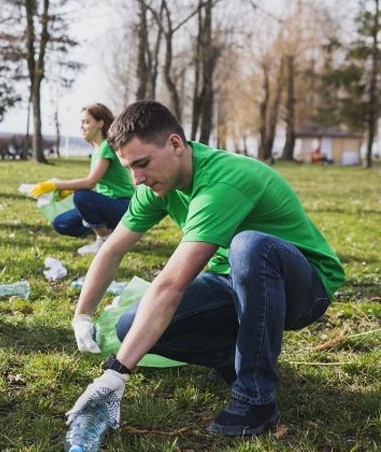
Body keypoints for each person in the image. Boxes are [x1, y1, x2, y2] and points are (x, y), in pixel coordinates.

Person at [66, 100, 344, 437]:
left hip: (303, 288)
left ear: (175, 144)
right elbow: (112, 250)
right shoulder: (154, 183)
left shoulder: (223, 181)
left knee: (250, 245)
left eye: (142, 163)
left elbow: (172, 284)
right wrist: (83, 314)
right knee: (129, 327)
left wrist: (116, 371)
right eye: (128, 168)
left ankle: (256, 399)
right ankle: (236, 358)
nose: (136, 179)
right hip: (233, 280)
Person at [29, 104, 134, 255]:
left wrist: (55, 185)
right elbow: (95, 184)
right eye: (81, 122)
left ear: (100, 123)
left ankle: (103, 240)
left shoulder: (106, 146)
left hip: (122, 205)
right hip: (106, 204)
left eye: (86, 122)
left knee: (82, 197)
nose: (81, 127)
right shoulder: (96, 149)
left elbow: (91, 181)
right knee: (61, 223)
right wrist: (68, 190)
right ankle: (109, 231)